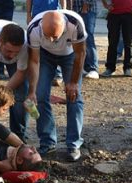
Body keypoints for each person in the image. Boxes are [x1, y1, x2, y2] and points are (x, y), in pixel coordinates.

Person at [26, 10, 87, 162]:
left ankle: (74, 144)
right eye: (48, 36)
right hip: (45, 57)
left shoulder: (75, 24)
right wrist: (32, 90)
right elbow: (34, 61)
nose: (52, 40)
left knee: (74, 96)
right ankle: (47, 142)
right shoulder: (33, 28)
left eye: (56, 36)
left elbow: (80, 54)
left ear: (65, 27)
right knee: (39, 96)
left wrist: (72, 82)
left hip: (70, 55)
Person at [27, 0, 67, 86]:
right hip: (37, 14)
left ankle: (58, 74)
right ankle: (40, 73)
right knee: (38, 45)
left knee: (56, 45)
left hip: (54, 15)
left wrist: (63, 11)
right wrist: (28, 14)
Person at [101, 0, 132, 77]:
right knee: (112, 42)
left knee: (128, 42)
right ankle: (110, 68)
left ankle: (127, 68)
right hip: (114, 13)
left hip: (129, 13)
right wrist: (105, 4)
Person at [70, 0, 99, 79]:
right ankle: (83, 67)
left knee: (88, 38)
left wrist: (85, 6)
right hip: (74, 10)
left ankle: (93, 68)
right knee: (77, 38)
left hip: (87, 10)